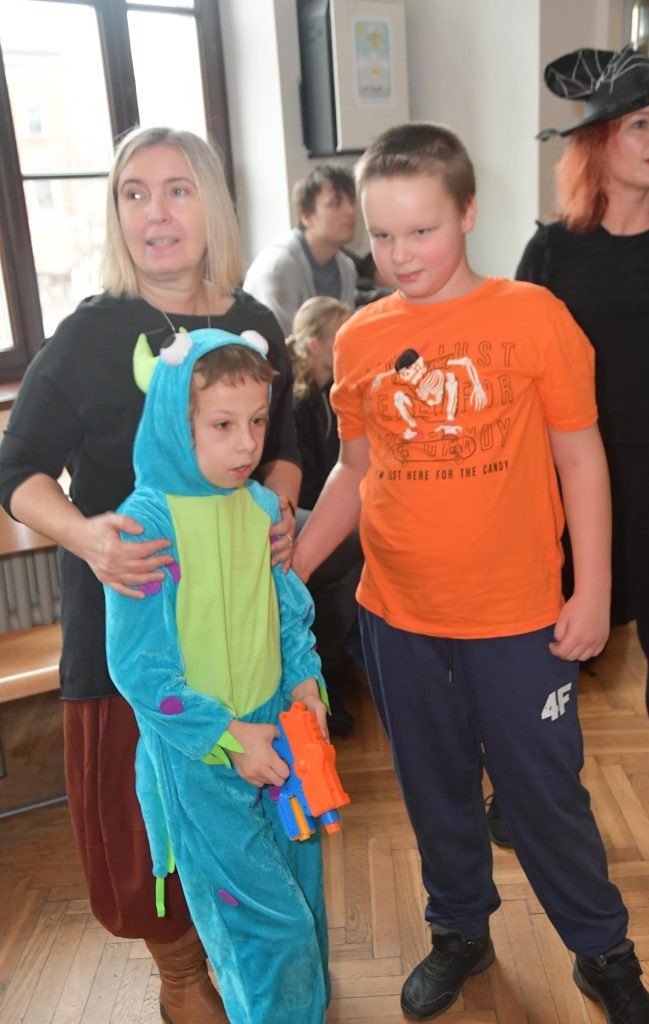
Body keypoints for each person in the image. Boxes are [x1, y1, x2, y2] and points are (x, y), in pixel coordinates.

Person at [293, 121, 649, 1024]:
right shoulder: (361, 339)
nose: (399, 254)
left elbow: (581, 458)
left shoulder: (532, 317)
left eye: (421, 229)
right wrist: (292, 569)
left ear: (466, 213)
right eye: (383, 234)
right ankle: (459, 929)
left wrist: (593, 591)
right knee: (434, 789)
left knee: (543, 794)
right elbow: (354, 470)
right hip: (397, 618)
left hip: (518, 620)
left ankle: (601, 950)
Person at [0, 126, 301, 1024]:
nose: (155, 213)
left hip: (244, 637)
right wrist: (87, 538)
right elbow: (16, 471)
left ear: (212, 205)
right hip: (133, 635)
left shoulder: (255, 324)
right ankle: (181, 980)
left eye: (176, 189)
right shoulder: (88, 335)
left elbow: (286, 447)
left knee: (254, 823)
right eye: (133, 193)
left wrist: (281, 507)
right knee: (147, 838)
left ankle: (262, 966)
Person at [487, 46, 649, 866]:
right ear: (596, 141)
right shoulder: (550, 254)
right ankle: (523, 791)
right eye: (640, 124)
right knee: (549, 651)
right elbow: (513, 376)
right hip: (570, 484)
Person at [104, 327, 330, 1024]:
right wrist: (230, 736)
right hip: (201, 755)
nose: (246, 445)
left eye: (257, 422)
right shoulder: (146, 525)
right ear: (178, 424)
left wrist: (305, 687)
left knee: (302, 901)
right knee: (265, 929)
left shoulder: (260, 507)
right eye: (223, 425)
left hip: (279, 732)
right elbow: (139, 669)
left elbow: (288, 615)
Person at [288, 297, 363, 734]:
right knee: (353, 546)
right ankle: (328, 668)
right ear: (315, 345)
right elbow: (311, 484)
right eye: (341, 335)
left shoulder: (329, 393)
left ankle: (342, 661)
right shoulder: (300, 404)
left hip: (319, 506)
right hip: (303, 510)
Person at [243, 164, 357, 336]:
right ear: (306, 216)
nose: (350, 211)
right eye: (336, 203)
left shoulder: (346, 267)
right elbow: (283, 344)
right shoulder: (280, 266)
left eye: (352, 202)